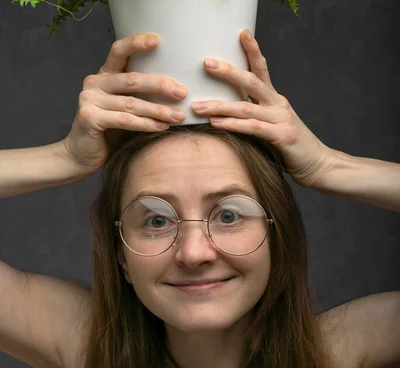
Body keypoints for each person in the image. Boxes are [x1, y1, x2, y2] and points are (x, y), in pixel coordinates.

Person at [0, 30, 399, 368]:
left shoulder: (337, 349)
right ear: (121, 255)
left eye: (228, 214)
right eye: (156, 220)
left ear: (276, 234)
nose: (193, 254)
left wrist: (329, 166)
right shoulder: (86, 343)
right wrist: (64, 157)